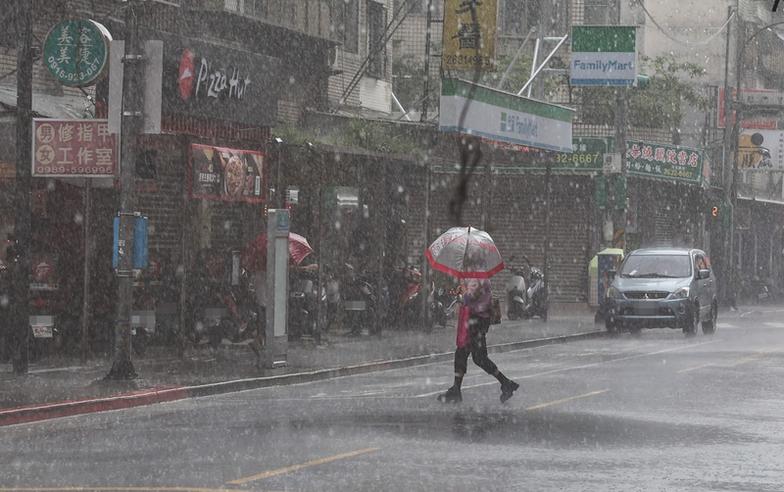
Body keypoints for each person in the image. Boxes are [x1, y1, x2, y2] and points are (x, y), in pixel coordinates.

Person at [438, 273, 519, 404]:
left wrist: (461, 294)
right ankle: (457, 389)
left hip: (476, 321)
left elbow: (470, 297)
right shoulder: (480, 277)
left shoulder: (479, 278)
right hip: (478, 320)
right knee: (465, 354)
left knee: (475, 356)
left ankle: (505, 383)